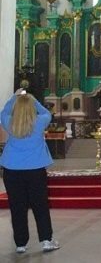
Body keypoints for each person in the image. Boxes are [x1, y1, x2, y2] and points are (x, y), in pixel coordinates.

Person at [0, 89, 60, 254]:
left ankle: (20, 243)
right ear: (32, 107)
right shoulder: (40, 121)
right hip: (35, 169)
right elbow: (47, 111)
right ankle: (46, 240)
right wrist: (32, 100)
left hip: (12, 170)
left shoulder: (9, 121)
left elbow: (3, 111)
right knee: (40, 205)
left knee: (17, 207)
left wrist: (15, 97)